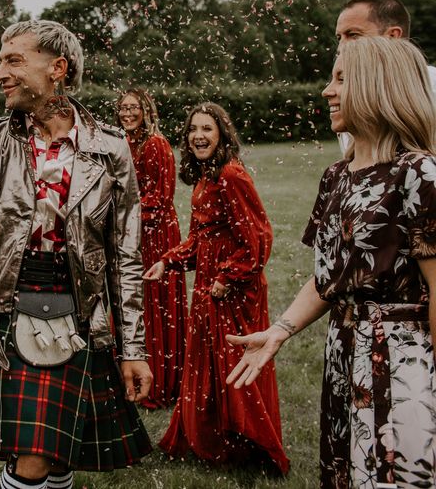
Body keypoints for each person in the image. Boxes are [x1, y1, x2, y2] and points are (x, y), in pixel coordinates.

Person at [0, 20, 153, 489]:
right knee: (34, 458)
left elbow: (125, 257)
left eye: (13, 60)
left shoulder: (110, 149)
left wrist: (133, 348)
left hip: (83, 312)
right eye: (0, 60)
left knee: (56, 457)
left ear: (57, 69)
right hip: (9, 306)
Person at [226, 37, 436, 489]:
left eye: (341, 78)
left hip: (402, 358)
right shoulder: (336, 176)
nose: (326, 90)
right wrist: (280, 330)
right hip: (343, 351)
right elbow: (328, 278)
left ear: (378, 86)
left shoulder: (418, 172)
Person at [144, 102, 289, 475]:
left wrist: (228, 278)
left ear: (222, 133)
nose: (199, 136)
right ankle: (214, 439)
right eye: (194, 129)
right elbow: (199, 239)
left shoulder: (231, 175)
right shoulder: (207, 178)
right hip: (209, 286)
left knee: (235, 364)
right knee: (206, 364)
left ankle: (253, 445)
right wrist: (169, 260)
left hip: (235, 291)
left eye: (207, 128)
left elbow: (258, 237)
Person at [116, 88, 186, 409]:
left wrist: (121, 212)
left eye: (134, 108)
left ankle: (162, 379)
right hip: (130, 234)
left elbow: (160, 199)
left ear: (146, 111)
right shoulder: (121, 144)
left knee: (156, 305)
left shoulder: (157, 145)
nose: (128, 113)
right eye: (123, 108)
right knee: (132, 304)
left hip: (156, 235)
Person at [334, 0, 436, 153]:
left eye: (353, 35)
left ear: (392, 36)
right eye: (339, 38)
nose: (341, 48)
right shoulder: (350, 96)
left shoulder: (432, 89)